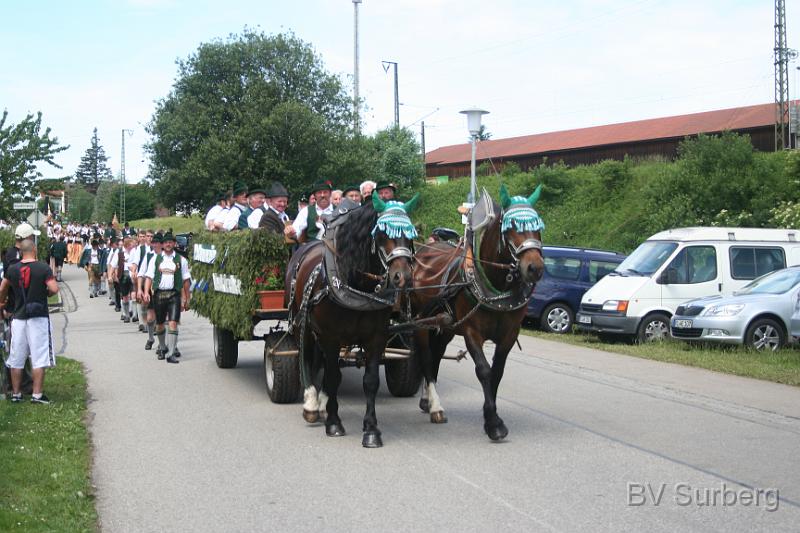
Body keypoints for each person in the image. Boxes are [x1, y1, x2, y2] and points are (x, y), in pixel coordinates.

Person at [0, 227, 59, 404]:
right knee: (39, 355)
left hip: (18, 316)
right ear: (34, 250)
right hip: (38, 316)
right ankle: (37, 394)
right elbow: (54, 289)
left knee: (16, 356)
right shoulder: (43, 268)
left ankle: (16, 394)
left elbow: (3, 288)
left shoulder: (12, 269)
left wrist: (2, 302)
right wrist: (45, 293)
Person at [143, 232, 191, 364]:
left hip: (174, 295)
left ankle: (171, 353)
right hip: (159, 295)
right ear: (163, 245)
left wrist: (187, 297)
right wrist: (146, 292)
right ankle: (163, 347)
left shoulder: (181, 260)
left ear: (174, 244)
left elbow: (186, 280)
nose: (168, 244)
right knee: (159, 324)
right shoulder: (156, 259)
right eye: (166, 242)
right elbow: (149, 277)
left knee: (173, 322)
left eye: (171, 242)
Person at [140, 233, 163, 351]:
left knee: (163, 320)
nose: (154, 245)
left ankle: (163, 344)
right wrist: (142, 290)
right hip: (152, 290)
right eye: (153, 243)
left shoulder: (169, 257)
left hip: (165, 290)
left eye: (156, 243)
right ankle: (150, 338)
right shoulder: (149, 256)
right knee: (150, 318)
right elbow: (143, 274)